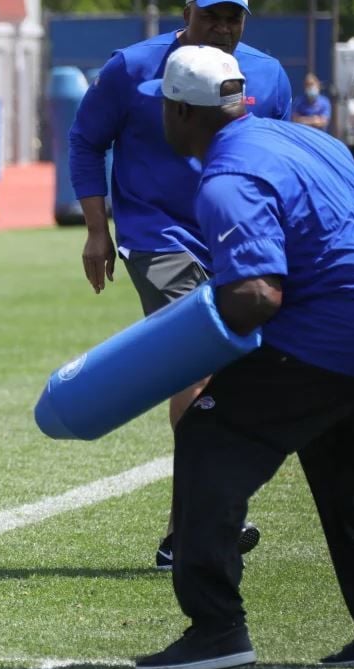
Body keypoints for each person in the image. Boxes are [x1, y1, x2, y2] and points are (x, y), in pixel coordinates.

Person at [132, 44, 354, 669]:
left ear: (182, 112)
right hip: (347, 328)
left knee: (209, 428)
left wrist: (184, 344)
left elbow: (258, 294)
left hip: (332, 330)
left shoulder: (227, 177)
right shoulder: (312, 142)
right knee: (339, 456)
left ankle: (215, 629)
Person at [68, 0, 292, 570]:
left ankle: (182, 532)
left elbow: (275, 158)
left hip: (234, 235)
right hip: (156, 234)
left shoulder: (268, 75)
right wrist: (98, 230)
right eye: (211, 15)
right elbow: (86, 140)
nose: (222, 27)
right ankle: (209, 518)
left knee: (242, 374)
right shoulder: (131, 67)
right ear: (187, 11)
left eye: (233, 17)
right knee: (197, 363)